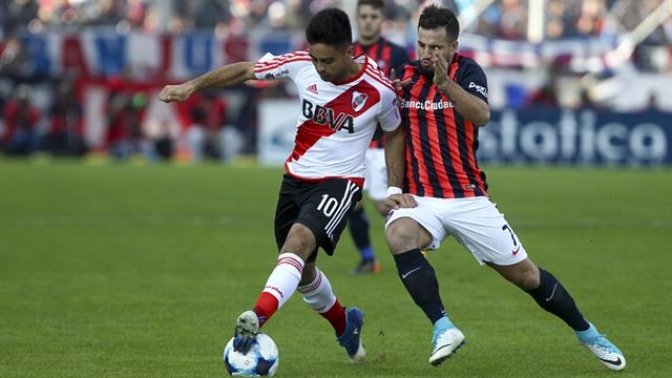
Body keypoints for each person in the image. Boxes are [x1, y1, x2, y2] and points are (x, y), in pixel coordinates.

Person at [384, 4, 626, 371]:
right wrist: (392, 187)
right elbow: (394, 133)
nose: (427, 54)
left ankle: (588, 333)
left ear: (453, 47)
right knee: (398, 235)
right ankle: (443, 327)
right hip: (422, 199)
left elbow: (481, 114)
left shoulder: (467, 72)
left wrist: (445, 83)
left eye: (436, 48)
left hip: (467, 198)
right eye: (422, 45)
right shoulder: (403, 76)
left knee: (527, 276)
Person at [159, 8, 403, 363]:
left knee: (298, 241)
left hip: (340, 183)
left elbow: (395, 131)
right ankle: (345, 326)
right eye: (316, 58)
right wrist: (190, 86)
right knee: (301, 272)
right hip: (295, 180)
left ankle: (255, 318)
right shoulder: (301, 63)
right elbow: (245, 70)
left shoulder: (379, 89)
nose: (320, 68)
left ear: (349, 50)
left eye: (328, 60)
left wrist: (394, 187)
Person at [348, 0, 411, 274]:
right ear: (357, 18)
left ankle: (414, 248)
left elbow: (406, 92)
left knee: (385, 205)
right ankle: (367, 259)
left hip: (383, 142)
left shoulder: (396, 53)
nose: (368, 21)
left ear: (381, 18)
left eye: (373, 16)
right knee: (350, 201)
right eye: (363, 16)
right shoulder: (345, 52)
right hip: (353, 141)